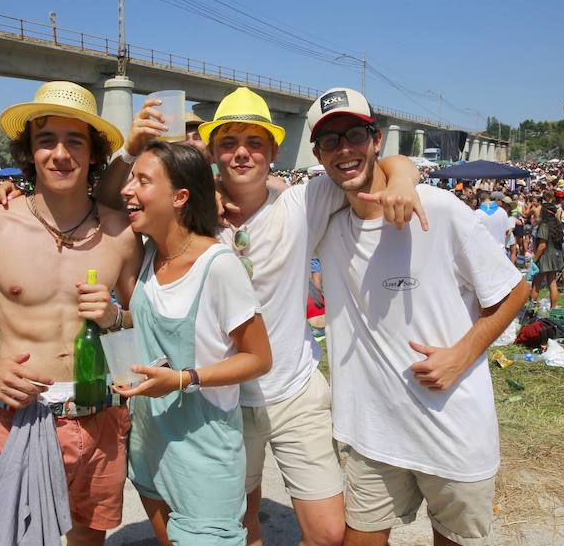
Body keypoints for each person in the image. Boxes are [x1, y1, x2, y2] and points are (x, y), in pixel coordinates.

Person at [132, 86, 424, 546]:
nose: (241, 153)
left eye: (254, 143)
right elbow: (122, 203)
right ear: (212, 151)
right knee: (241, 524)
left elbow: (365, 165)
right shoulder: (191, 216)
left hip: (293, 391)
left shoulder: (304, 202)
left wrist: (404, 179)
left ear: (273, 150)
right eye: (228, 143)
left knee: (329, 534)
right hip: (221, 400)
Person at [0, 81, 142, 546]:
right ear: (30, 152)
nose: (60, 154)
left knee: (88, 536)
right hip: (28, 412)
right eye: (46, 141)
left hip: (103, 410)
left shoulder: (120, 231)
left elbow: (148, 322)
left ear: (94, 153)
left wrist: (114, 317)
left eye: (74, 141)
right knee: (21, 536)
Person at [307, 87, 529, 546]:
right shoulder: (325, 224)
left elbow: (515, 289)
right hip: (371, 431)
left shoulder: (441, 209)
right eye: (331, 141)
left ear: (377, 140)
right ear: (317, 154)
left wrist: (461, 355)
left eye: (354, 135)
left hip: (452, 427)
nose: (344, 149)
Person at [90, 140, 272, 545]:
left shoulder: (219, 266)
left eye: (142, 180)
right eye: (130, 179)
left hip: (202, 454)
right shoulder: (152, 253)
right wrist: (114, 317)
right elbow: (103, 204)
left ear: (180, 197)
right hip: (149, 442)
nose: (127, 190)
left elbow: (259, 358)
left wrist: (182, 379)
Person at [531, 202, 564, 308]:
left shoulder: (544, 225)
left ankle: (531, 308)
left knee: (537, 283)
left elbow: (542, 245)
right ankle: (553, 308)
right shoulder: (557, 224)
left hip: (545, 257)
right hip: (555, 257)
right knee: (552, 283)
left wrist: (535, 259)